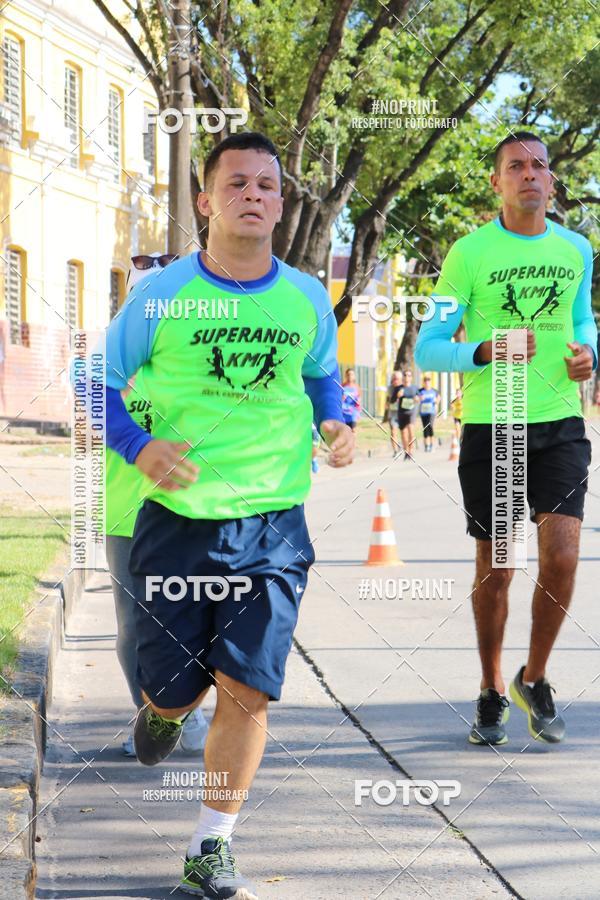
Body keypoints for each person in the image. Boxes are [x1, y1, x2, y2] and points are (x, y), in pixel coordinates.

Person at [101, 132, 354, 898]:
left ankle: (212, 843)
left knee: (248, 686)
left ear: (280, 203)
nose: (254, 194)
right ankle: (163, 711)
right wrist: (139, 447)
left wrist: (335, 421)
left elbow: (321, 377)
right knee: (177, 687)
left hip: (274, 522)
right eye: (237, 183)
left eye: (268, 185)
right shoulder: (161, 295)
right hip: (178, 521)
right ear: (206, 202)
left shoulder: (307, 296)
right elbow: (99, 383)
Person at [416, 131, 596, 747]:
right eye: (515, 166)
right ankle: (492, 687)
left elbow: (581, 320)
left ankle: (534, 678)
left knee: (564, 557)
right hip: (497, 424)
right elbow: (428, 347)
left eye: (539, 166)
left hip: (560, 422)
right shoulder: (469, 254)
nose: (529, 174)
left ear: (551, 181)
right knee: (498, 568)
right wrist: (483, 350)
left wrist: (588, 355)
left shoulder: (576, 248)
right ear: (496, 182)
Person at [105, 254, 208, 758]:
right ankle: (150, 720)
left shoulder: (191, 357)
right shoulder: (108, 362)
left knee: (192, 619)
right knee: (133, 625)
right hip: (125, 514)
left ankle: (190, 711)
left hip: (186, 511)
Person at [396, 369, 419, 460]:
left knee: (410, 430)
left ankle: (411, 450)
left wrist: (417, 398)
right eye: (405, 375)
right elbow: (393, 399)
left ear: (411, 378)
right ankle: (406, 451)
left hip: (411, 412)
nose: (407, 377)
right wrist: (398, 395)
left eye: (409, 375)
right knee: (403, 433)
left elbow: (419, 397)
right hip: (402, 412)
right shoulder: (399, 388)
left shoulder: (414, 388)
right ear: (403, 377)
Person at [417, 375, 440, 452]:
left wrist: (436, 401)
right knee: (425, 428)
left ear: (430, 382)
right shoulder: (420, 391)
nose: (427, 383)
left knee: (430, 426)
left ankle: (432, 444)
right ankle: (427, 445)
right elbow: (416, 399)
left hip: (431, 412)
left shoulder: (434, 391)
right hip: (423, 412)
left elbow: (438, 400)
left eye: (428, 381)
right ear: (423, 382)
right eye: (425, 381)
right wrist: (419, 398)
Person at [384, 370, 402, 456]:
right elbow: (388, 398)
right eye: (393, 379)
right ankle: (395, 450)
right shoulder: (390, 388)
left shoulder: (404, 388)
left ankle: (403, 445)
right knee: (393, 432)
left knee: (403, 431)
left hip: (403, 413)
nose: (395, 380)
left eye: (397, 379)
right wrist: (387, 404)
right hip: (393, 413)